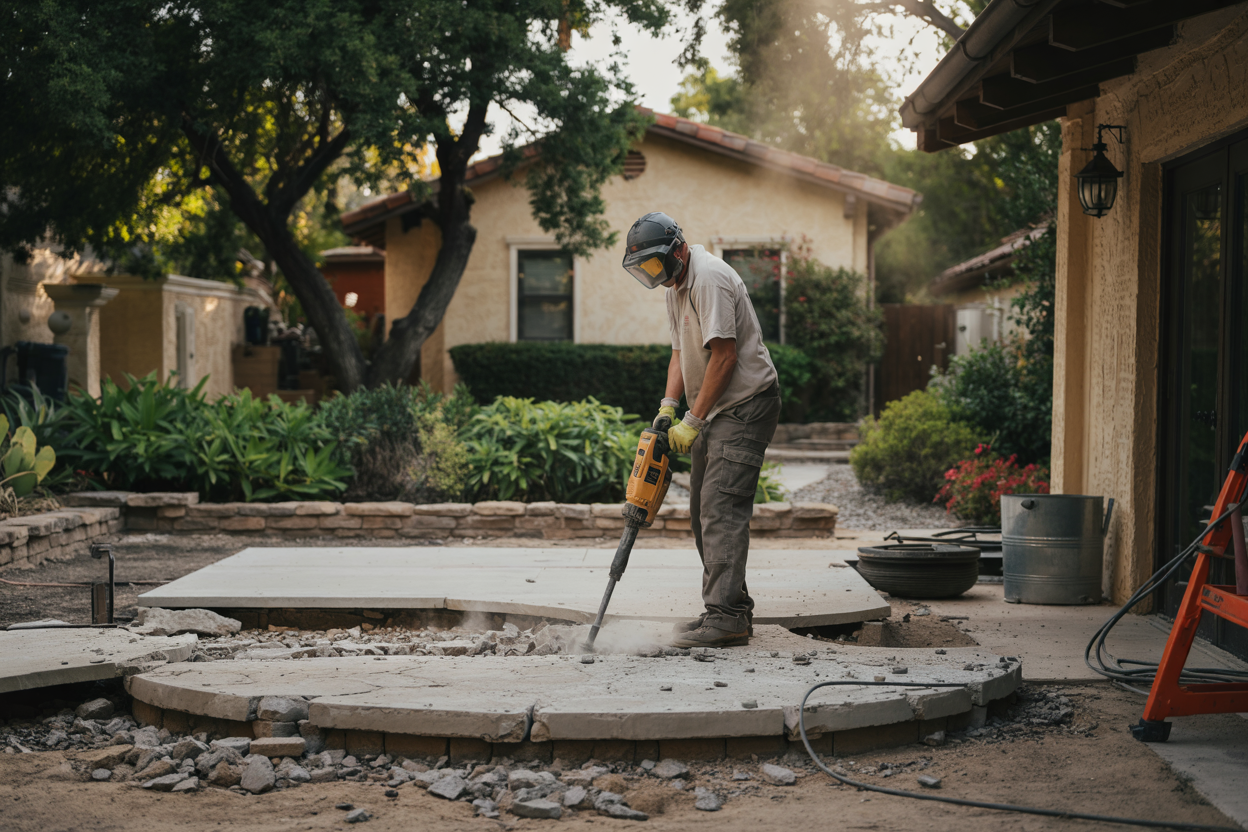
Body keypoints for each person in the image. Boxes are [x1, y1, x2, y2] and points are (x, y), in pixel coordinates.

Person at [621, 211, 781, 648]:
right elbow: (680, 352)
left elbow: (725, 357)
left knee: (720, 509)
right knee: (700, 513)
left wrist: (693, 420)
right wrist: (669, 407)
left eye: (656, 265)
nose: (655, 275)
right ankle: (730, 608)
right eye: (646, 270)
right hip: (713, 410)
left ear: (676, 250)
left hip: (745, 406)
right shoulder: (676, 287)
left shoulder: (708, 278)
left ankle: (725, 615)